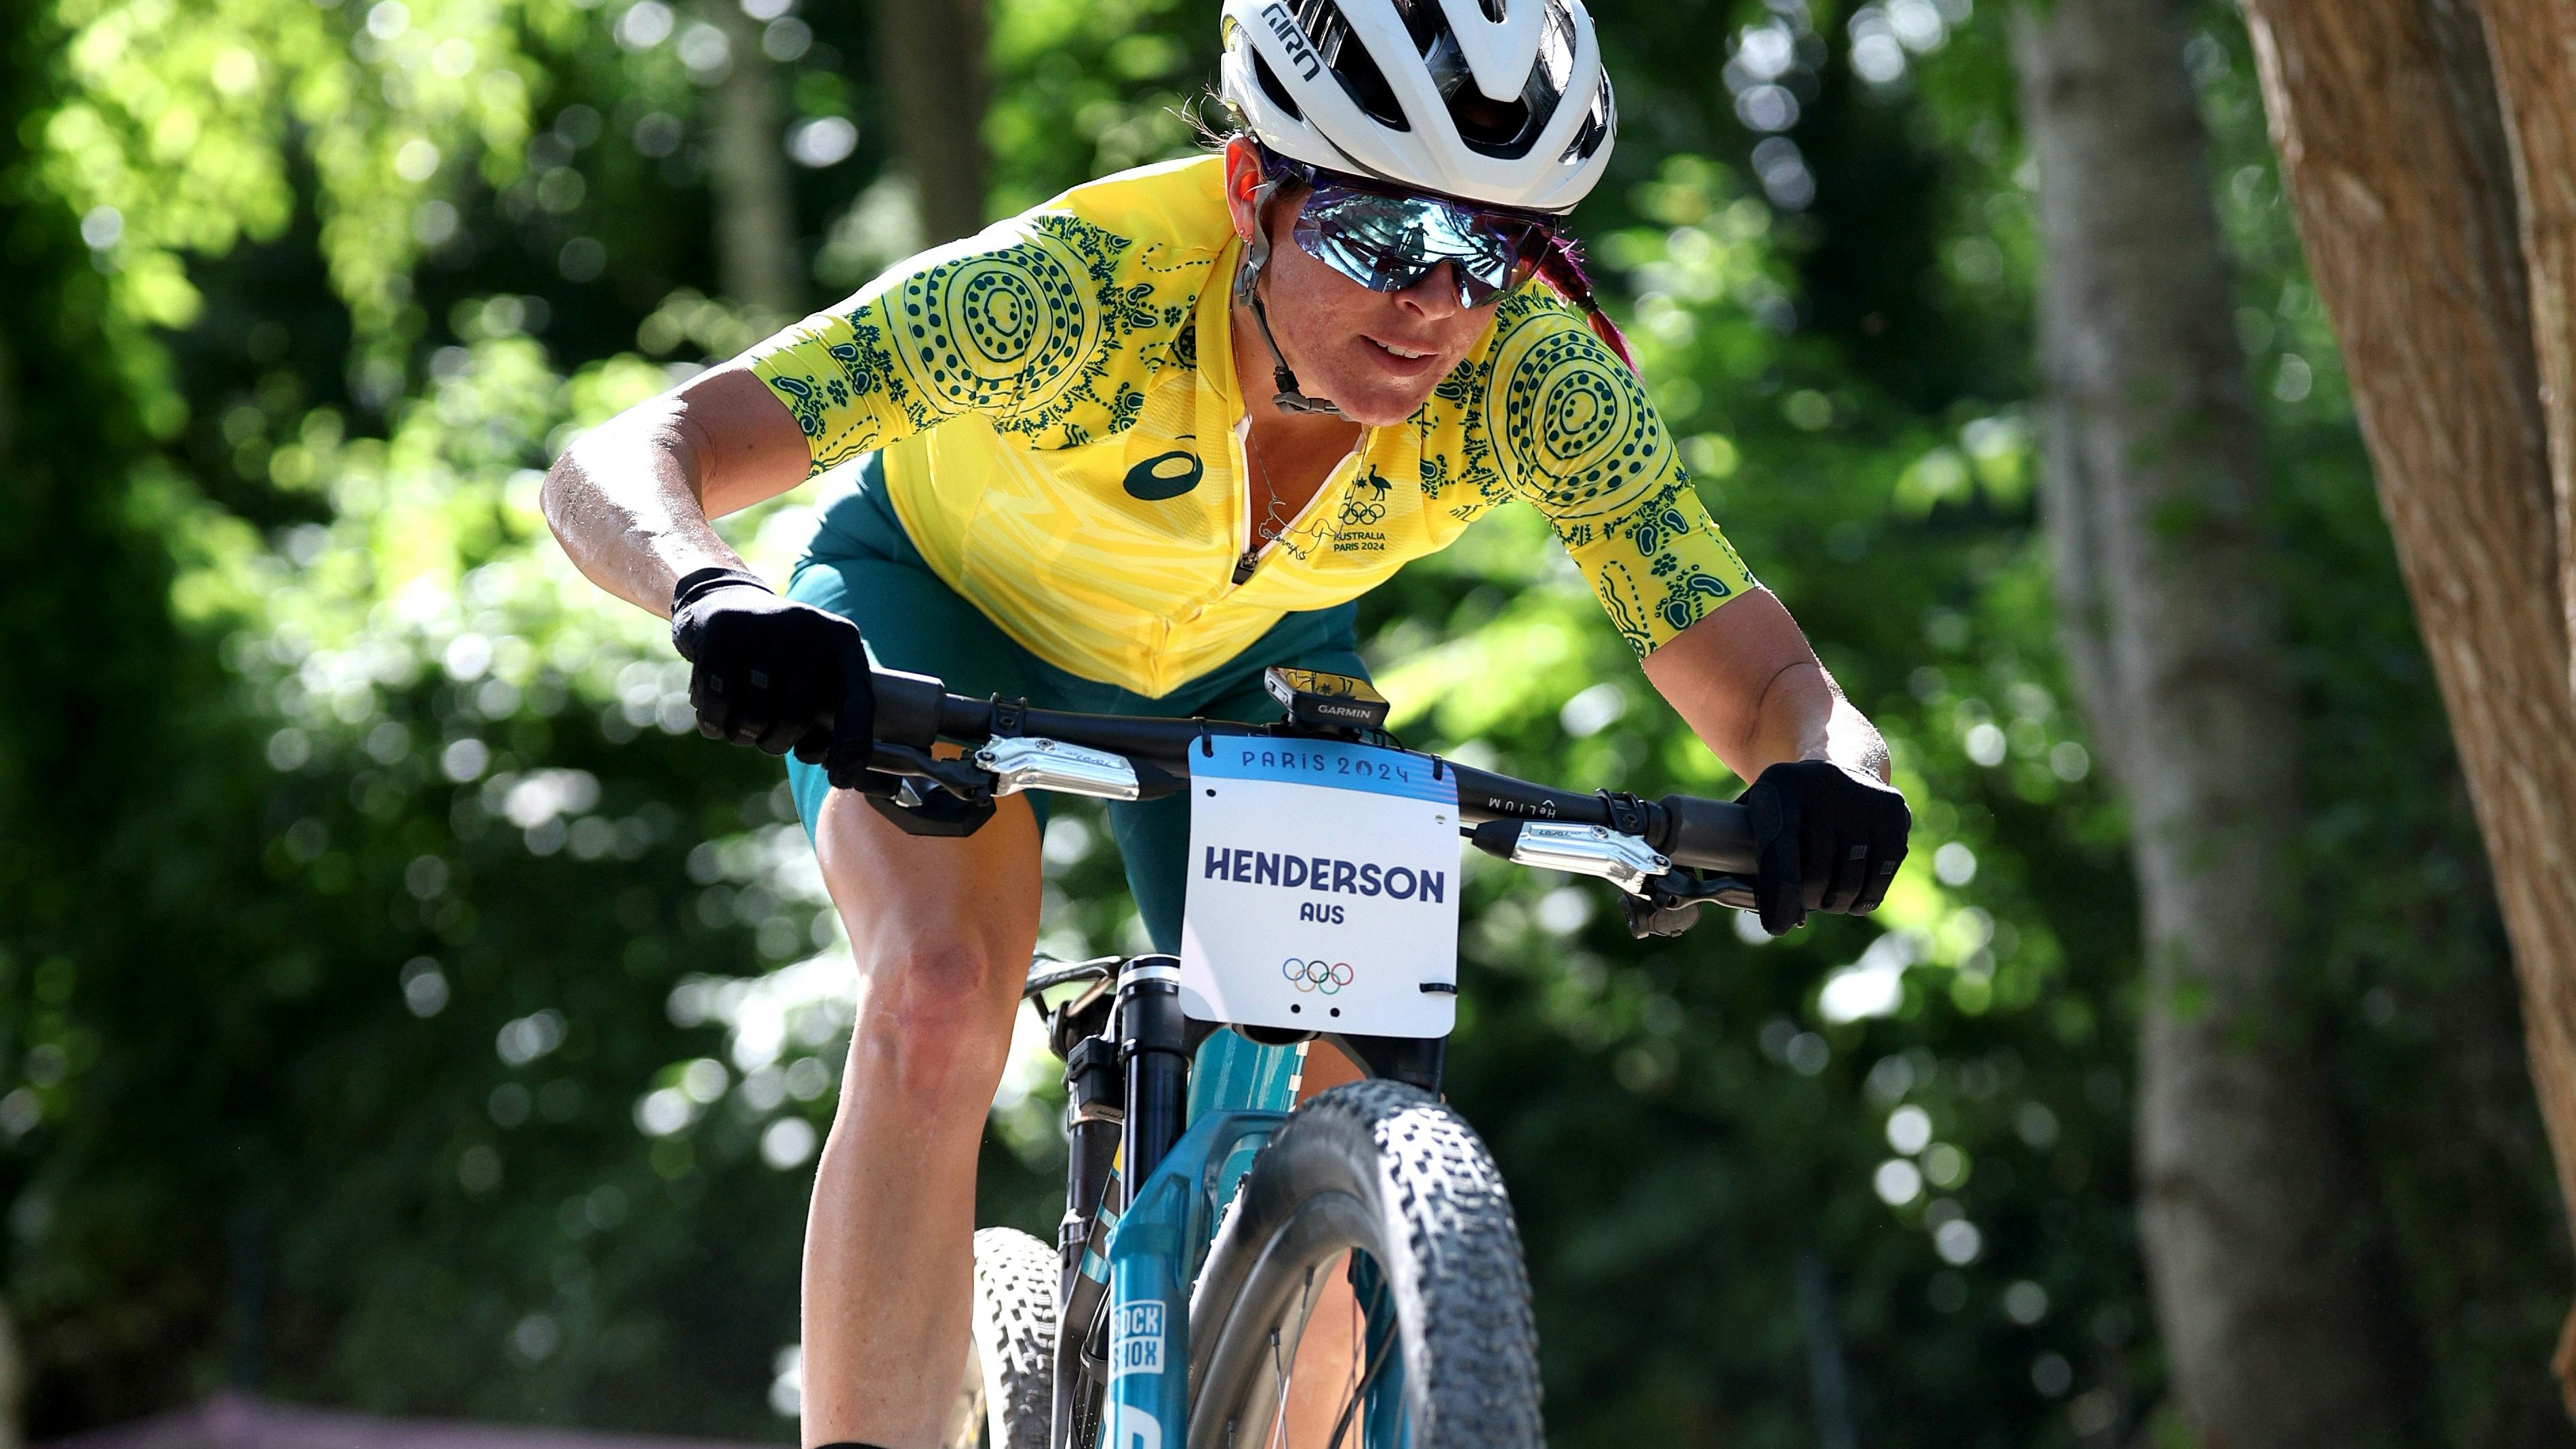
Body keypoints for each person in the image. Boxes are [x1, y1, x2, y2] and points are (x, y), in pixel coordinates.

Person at [542, 1, 1910, 1442]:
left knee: (1354, 1068)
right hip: (938, 607)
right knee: (942, 991)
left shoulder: (1538, 382)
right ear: (1257, 189)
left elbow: (1768, 681)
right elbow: (632, 454)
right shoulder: (1071, 290)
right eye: (1386, 239)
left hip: (1251, 660)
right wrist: (714, 593)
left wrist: (1829, 774)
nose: (1434, 305)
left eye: (1491, 253)